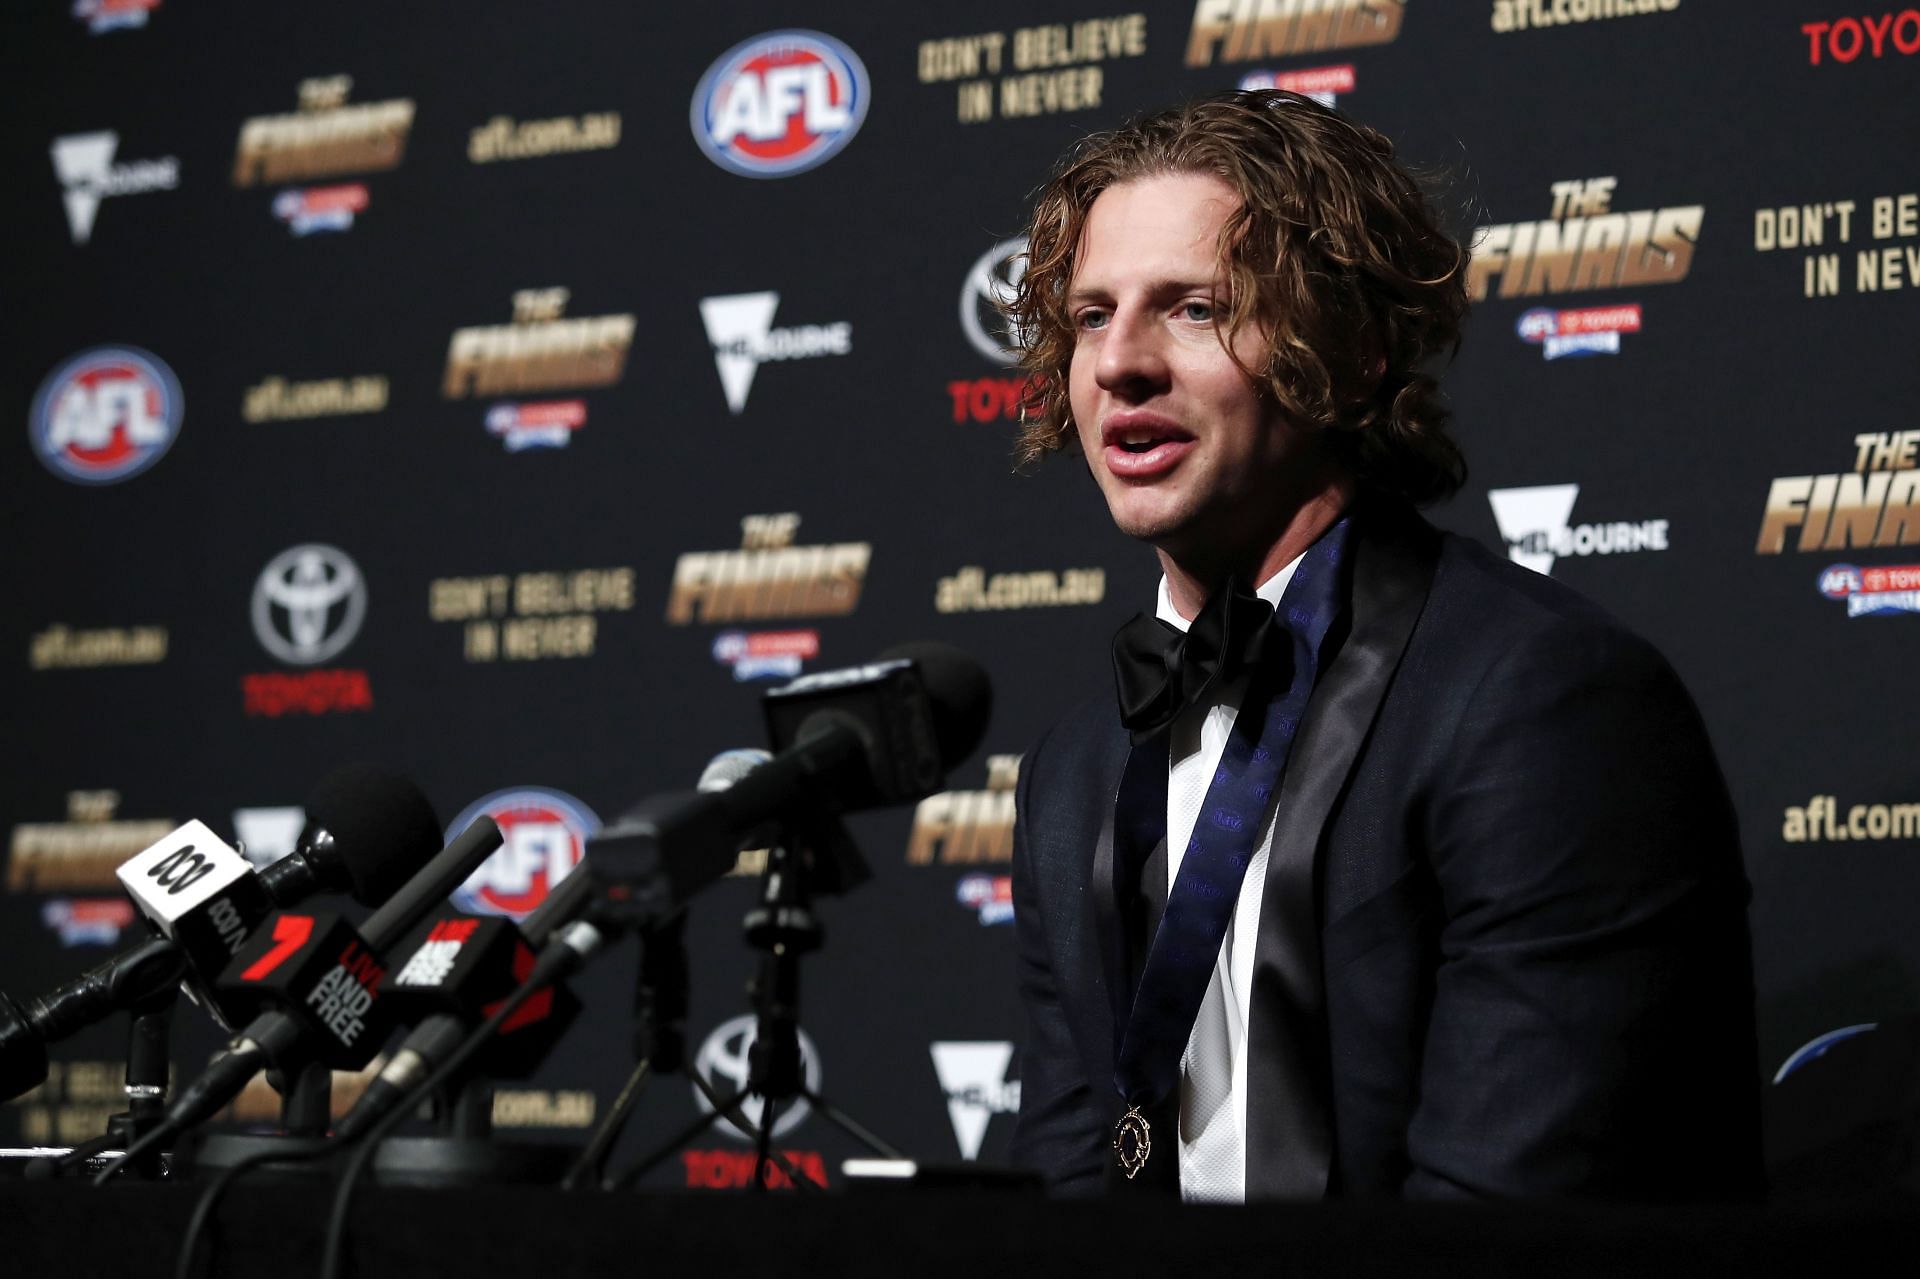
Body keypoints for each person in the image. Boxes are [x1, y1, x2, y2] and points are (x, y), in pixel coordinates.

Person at [1004, 89, 1763, 1202]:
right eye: (1089, 316)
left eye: (1197, 309)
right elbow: (1072, 1181)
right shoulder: (1074, 774)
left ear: (1351, 354)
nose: (1120, 362)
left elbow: (1511, 1206)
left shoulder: (1542, 703)